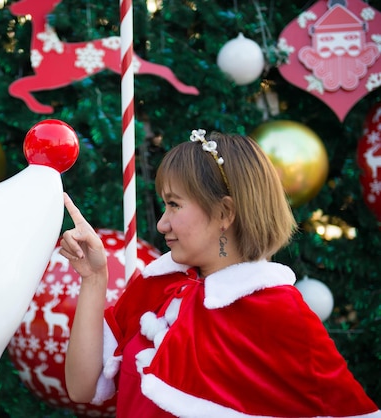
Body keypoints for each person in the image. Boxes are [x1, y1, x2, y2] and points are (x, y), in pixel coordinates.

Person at [59, 129, 380, 417]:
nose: (162, 224)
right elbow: (82, 387)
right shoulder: (156, 289)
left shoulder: (281, 313)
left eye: (174, 205)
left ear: (225, 212)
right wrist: (94, 278)